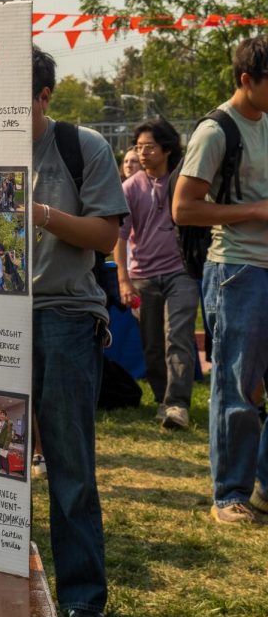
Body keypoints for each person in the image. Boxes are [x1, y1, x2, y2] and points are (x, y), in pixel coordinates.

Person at [31, 46, 127, 617]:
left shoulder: (82, 146)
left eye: (17, 93)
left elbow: (104, 237)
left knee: (69, 462)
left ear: (44, 96)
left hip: (65, 315)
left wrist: (37, 212)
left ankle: (83, 597)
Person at [173, 36, 268, 525]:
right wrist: (254, 211)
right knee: (237, 386)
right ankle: (229, 495)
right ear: (245, 80)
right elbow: (183, 207)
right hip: (236, 269)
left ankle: (264, 487)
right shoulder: (216, 130)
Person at [115, 117, 198, 430]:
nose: (143, 153)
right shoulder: (129, 188)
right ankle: (163, 399)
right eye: (139, 147)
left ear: (166, 149)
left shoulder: (181, 181)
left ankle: (178, 405)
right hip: (143, 277)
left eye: (149, 147)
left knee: (177, 336)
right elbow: (119, 238)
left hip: (181, 272)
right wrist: (124, 280)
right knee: (152, 345)